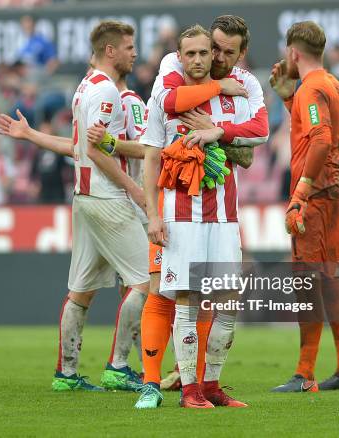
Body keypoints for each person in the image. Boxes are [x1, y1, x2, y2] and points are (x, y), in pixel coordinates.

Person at [135, 15, 269, 408]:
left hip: (225, 213)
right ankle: (187, 388)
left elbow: (261, 130)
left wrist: (216, 131)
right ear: (183, 54)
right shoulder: (169, 82)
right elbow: (151, 155)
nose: (212, 57)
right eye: (204, 50)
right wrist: (153, 215)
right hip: (181, 212)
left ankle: (211, 385)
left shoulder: (243, 85)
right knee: (185, 298)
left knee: (227, 298)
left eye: (220, 52)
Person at [0, 57, 149, 390]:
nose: (90, 69)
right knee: (142, 284)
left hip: (88, 197)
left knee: (82, 291)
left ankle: (67, 374)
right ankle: (122, 367)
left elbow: (90, 148)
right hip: (119, 199)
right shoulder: (120, 99)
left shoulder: (108, 97)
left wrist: (32, 135)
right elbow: (145, 151)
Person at [269, 20, 339, 392]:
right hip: (336, 192)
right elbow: (327, 134)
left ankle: (305, 374)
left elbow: (320, 140)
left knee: (306, 282)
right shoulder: (334, 85)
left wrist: (301, 194)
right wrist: (288, 99)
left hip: (318, 197)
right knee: (331, 281)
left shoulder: (312, 89)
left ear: (294, 52)